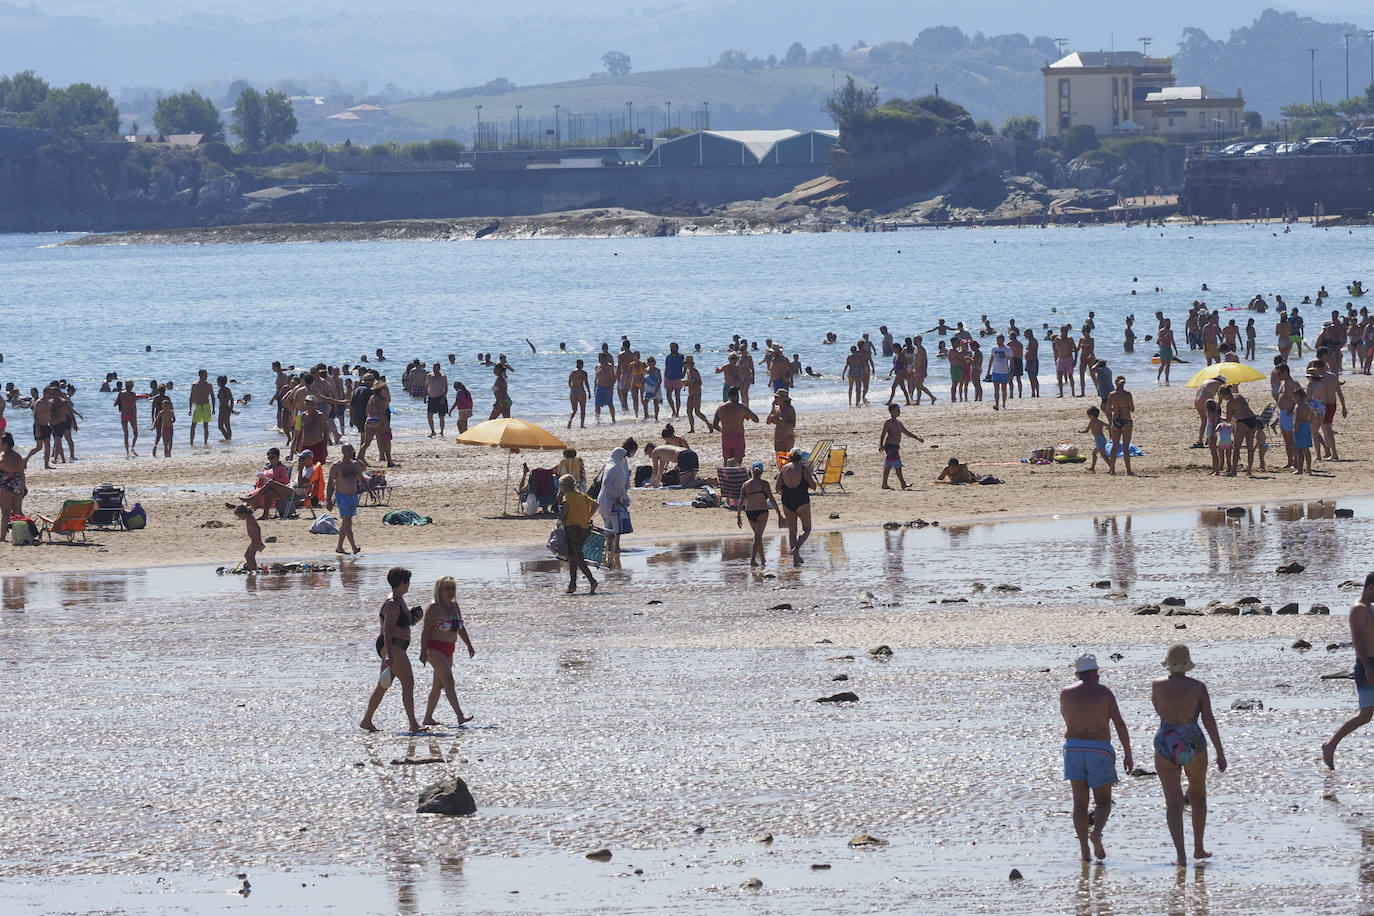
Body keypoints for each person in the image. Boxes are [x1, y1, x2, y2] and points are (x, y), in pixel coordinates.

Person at [1152, 644, 1227, 867]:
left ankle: (1180, 856)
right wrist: (1220, 752)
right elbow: (1208, 719)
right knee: (1198, 795)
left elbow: (1158, 710)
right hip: (1192, 740)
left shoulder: (1156, 685)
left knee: (1173, 804)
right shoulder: (1198, 687)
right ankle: (1198, 847)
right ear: (1187, 663)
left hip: (1166, 740)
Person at [1060, 653, 1133, 863]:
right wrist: (1128, 753)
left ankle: (1084, 850)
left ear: (1077, 674)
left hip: (1073, 749)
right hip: (1098, 749)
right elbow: (1119, 723)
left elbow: (1067, 718)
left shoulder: (1066, 693)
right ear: (1094, 673)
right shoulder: (1104, 693)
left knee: (1079, 805)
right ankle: (1097, 832)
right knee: (1103, 802)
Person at [359, 567, 425, 733]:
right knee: (408, 683)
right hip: (392, 646)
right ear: (402, 583)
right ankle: (413, 724)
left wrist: (415, 618)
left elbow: (402, 624)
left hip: (395, 645)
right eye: (408, 582)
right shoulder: (393, 603)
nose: (409, 585)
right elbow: (388, 630)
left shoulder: (399, 599)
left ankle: (366, 720)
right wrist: (388, 653)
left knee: (383, 684)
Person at [1324, 572, 1374, 769]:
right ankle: (1330, 745)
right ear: (1371, 588)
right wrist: (1368, 669)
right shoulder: (1358, 609)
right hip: (1366, 665)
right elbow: (1358, 641)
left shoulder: (1370, 608)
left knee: (1367, 714)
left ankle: (1330, 745)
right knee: (1365, 715)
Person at [420, 576, 476, 726]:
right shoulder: (434, 607)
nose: (450, 592)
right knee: (449, 682)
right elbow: (425, 631)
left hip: (449, 648)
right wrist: (423, 652)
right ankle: (460, 716)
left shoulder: (454, 606)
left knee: (438, 685)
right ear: (439, 590)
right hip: (434, 648)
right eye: (447, 588)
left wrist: (469, 645)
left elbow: (460, 627)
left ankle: (427, 718)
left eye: (453, 588)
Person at [557, 474, 599, 594]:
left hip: (573, 529)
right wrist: (587, 517)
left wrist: (559, 502)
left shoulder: (568, 498)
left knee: (577, 557)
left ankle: (592, 581)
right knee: (573, 557)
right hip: (584, 529)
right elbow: (596, 505)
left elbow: (563, 515)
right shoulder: (581, 495)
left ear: (564, 487)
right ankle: (572, 585)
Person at [776, 448, 816, 567]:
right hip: (802, 500)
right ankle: (796, 549)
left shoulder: (784, 469)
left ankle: (795, 561)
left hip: (787, 500)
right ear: (800, 458)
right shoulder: (803, 468)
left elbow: (777, 488)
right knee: (807, 529)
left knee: (792, 531)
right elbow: (813, 486)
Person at [736, 461, 782, 568]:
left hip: (749, 512)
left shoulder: (746, 485)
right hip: (762, 511)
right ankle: (752, 560)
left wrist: (738, 516)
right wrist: (779, 513)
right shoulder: (764, 484)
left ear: (751, 472)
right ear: (761, 472)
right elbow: (772, 499)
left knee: (758, 536)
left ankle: (762, 560)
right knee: (757, 536)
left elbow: (740, 501)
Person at [326, 443, 366, 554]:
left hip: (353, 496)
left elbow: (361, 479)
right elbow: (330, 484)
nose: (350, 452)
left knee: (346, 522)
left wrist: (371, 492)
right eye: (348, 450)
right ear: (343, 451)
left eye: (351, 450)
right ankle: (354, 547)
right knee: (347, 520)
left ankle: (339, 547)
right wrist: (328, 500)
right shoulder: (336, 466)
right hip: (341, 496)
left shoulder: (355, 464)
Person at [597, 445, 632, 568]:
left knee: (613, 527)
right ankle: (610, 550)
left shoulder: (616, 465)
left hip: (613, 501)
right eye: (623, 456)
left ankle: (610, 554)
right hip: (610, 501)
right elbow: (607, 483)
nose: (624, 459)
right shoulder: (614, 467)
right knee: (611, 527)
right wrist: (616, 495)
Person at [0, 432, 40, 540]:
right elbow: (22, 472)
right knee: (18, 512)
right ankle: (28, 533)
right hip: (19, 485)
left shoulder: (3, 456)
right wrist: (25, 487)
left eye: (0, 443)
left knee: (5, 513)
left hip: (6, 486)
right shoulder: (18, 456)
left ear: (5, 444)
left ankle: (2, 538)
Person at [878, 403, 923, 490]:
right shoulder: (888, 422)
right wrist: (881, 445)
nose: (899, 412)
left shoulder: (898, 423)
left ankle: (884, 484)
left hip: (895, 446)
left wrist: (917, 438)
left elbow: (906, 432)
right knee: (897, 465)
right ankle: (903, 483)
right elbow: (883, 434)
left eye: (899, 410)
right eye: (897, 410)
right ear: (891, 412)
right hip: (890, 446)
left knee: (888, 465)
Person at [710, 387, 759, 467]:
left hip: (726, 437)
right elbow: (756, 419)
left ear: (728, 396)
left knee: (726, 462)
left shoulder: (721, 408)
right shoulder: (741, 407)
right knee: (738, 463)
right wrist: (745, 414)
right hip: (738, 436)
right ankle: (736, 478)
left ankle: (726, 478)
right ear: (737, 396)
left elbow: (714, 425)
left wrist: (722, 430)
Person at [1105, 376, 1134, 476]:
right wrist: (1124, 407)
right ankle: (1128, 471)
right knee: (1126, 447)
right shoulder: (1128, 394)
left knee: (1115, 446)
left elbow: (1107, 409)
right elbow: (1132, 409)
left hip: (1116, 420)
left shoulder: (1112, 395)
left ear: (1115, 383)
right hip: (1126, 420)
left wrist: (1115, 409)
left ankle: (1113, 470)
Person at [232, 504, 264, 571]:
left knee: (251, 557)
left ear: (244, 513)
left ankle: (253, 570)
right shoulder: (248, 518)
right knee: (247, 555)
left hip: (256, 540)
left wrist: (259, 541)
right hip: (253, 540)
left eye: (239, 516)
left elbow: (258, 528)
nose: (239, 518)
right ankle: (251, 569)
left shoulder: (251, 518)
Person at [765, 388, 796, 456]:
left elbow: (792, 424)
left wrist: (779, 421)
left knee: (786, 458)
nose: (774, 399)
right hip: (778, 438)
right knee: (779, 459)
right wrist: (773, 408)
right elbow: (768, 421)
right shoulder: (777, 409)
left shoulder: (789, 409)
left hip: (787, 438)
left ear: (782, 399)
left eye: (776, 397)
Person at [189, 369, 214, 446]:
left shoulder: (209, 385)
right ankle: (191, 443)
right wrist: (190, 409)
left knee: (205, 426)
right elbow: (191, 397)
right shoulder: (195, 385)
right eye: (205, 374)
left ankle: (205, 443)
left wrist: (213, 408)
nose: (206, 376)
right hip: (198, 406)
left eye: (207, 374)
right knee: (193, 426)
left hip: (206, 406)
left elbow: (212, 396)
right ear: (200, 375)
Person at [115, 380, 139, 458]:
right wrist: (135, 417)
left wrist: (122, 403)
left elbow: (115, 404)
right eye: (133, 385)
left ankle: (127, 452)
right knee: (135, 433)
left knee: (126, 434)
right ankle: (132, 448)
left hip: (124, 414)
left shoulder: (121, 393)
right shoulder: (133, 394)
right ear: (131, 386)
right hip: (131, 414)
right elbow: (133, 407)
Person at [1080, 407, 1109, 473]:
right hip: (1102, 439)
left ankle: (1111, 468)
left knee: (1101, 455)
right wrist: (1109, 429)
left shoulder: (1092, 422)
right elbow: (1108, 425)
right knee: (1098, 454)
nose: (1089, 417)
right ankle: (1092, 467)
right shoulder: (1100, 421)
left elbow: (1086, 431)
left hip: (1099, 440)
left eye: (1088, 416)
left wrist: (1080, 431)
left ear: (1091, 415)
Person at [989, 334, 1012, 410]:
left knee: (1004, 389)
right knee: (996, 389)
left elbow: (1011, 360)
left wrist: (1012, 370)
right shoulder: (994, 349)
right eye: (997, 340)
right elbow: (991, 359)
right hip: (995, 371)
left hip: (1004, 372)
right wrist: (988, 370)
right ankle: (997, 404)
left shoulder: (1007, 349)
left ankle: (1004, 404)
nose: (998, 342)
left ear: (1003, 340)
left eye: (1000, 340)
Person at [567, 359, 590, 430]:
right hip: (581, 391)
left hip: (573, 391)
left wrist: (572, 389)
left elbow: (569, 383)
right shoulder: (584, 373)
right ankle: (582, 425)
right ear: (582, 365)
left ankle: (570, 420)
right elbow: (586, 383)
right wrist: (589, 392)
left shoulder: (572, 372)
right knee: (582, 409)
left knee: (574, 410)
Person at [664, 342, 686, 417]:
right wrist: (665, 377)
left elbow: (685, 366)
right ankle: (673, 410)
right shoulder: (668, 357)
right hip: (668, 378)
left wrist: (683, 374)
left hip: (678, 378)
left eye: (673, 347)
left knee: (677, 396)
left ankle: (678, 412)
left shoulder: (681, 356)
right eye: (671, 347)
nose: (672, 349)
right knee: (668, 396)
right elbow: (666, 367)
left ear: (677, 348)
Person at [216, 375, 235, 441]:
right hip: (227, 409)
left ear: (219, 382)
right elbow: (232, 400)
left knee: (220, 426)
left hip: (223, 409)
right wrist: (231, 408)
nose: (216, 383)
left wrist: (230, 409)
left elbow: (223, 401)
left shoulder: (220, 391)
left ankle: (227, 438)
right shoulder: (228, 389)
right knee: (227, 425)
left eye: (217, 381)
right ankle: (229, 439)